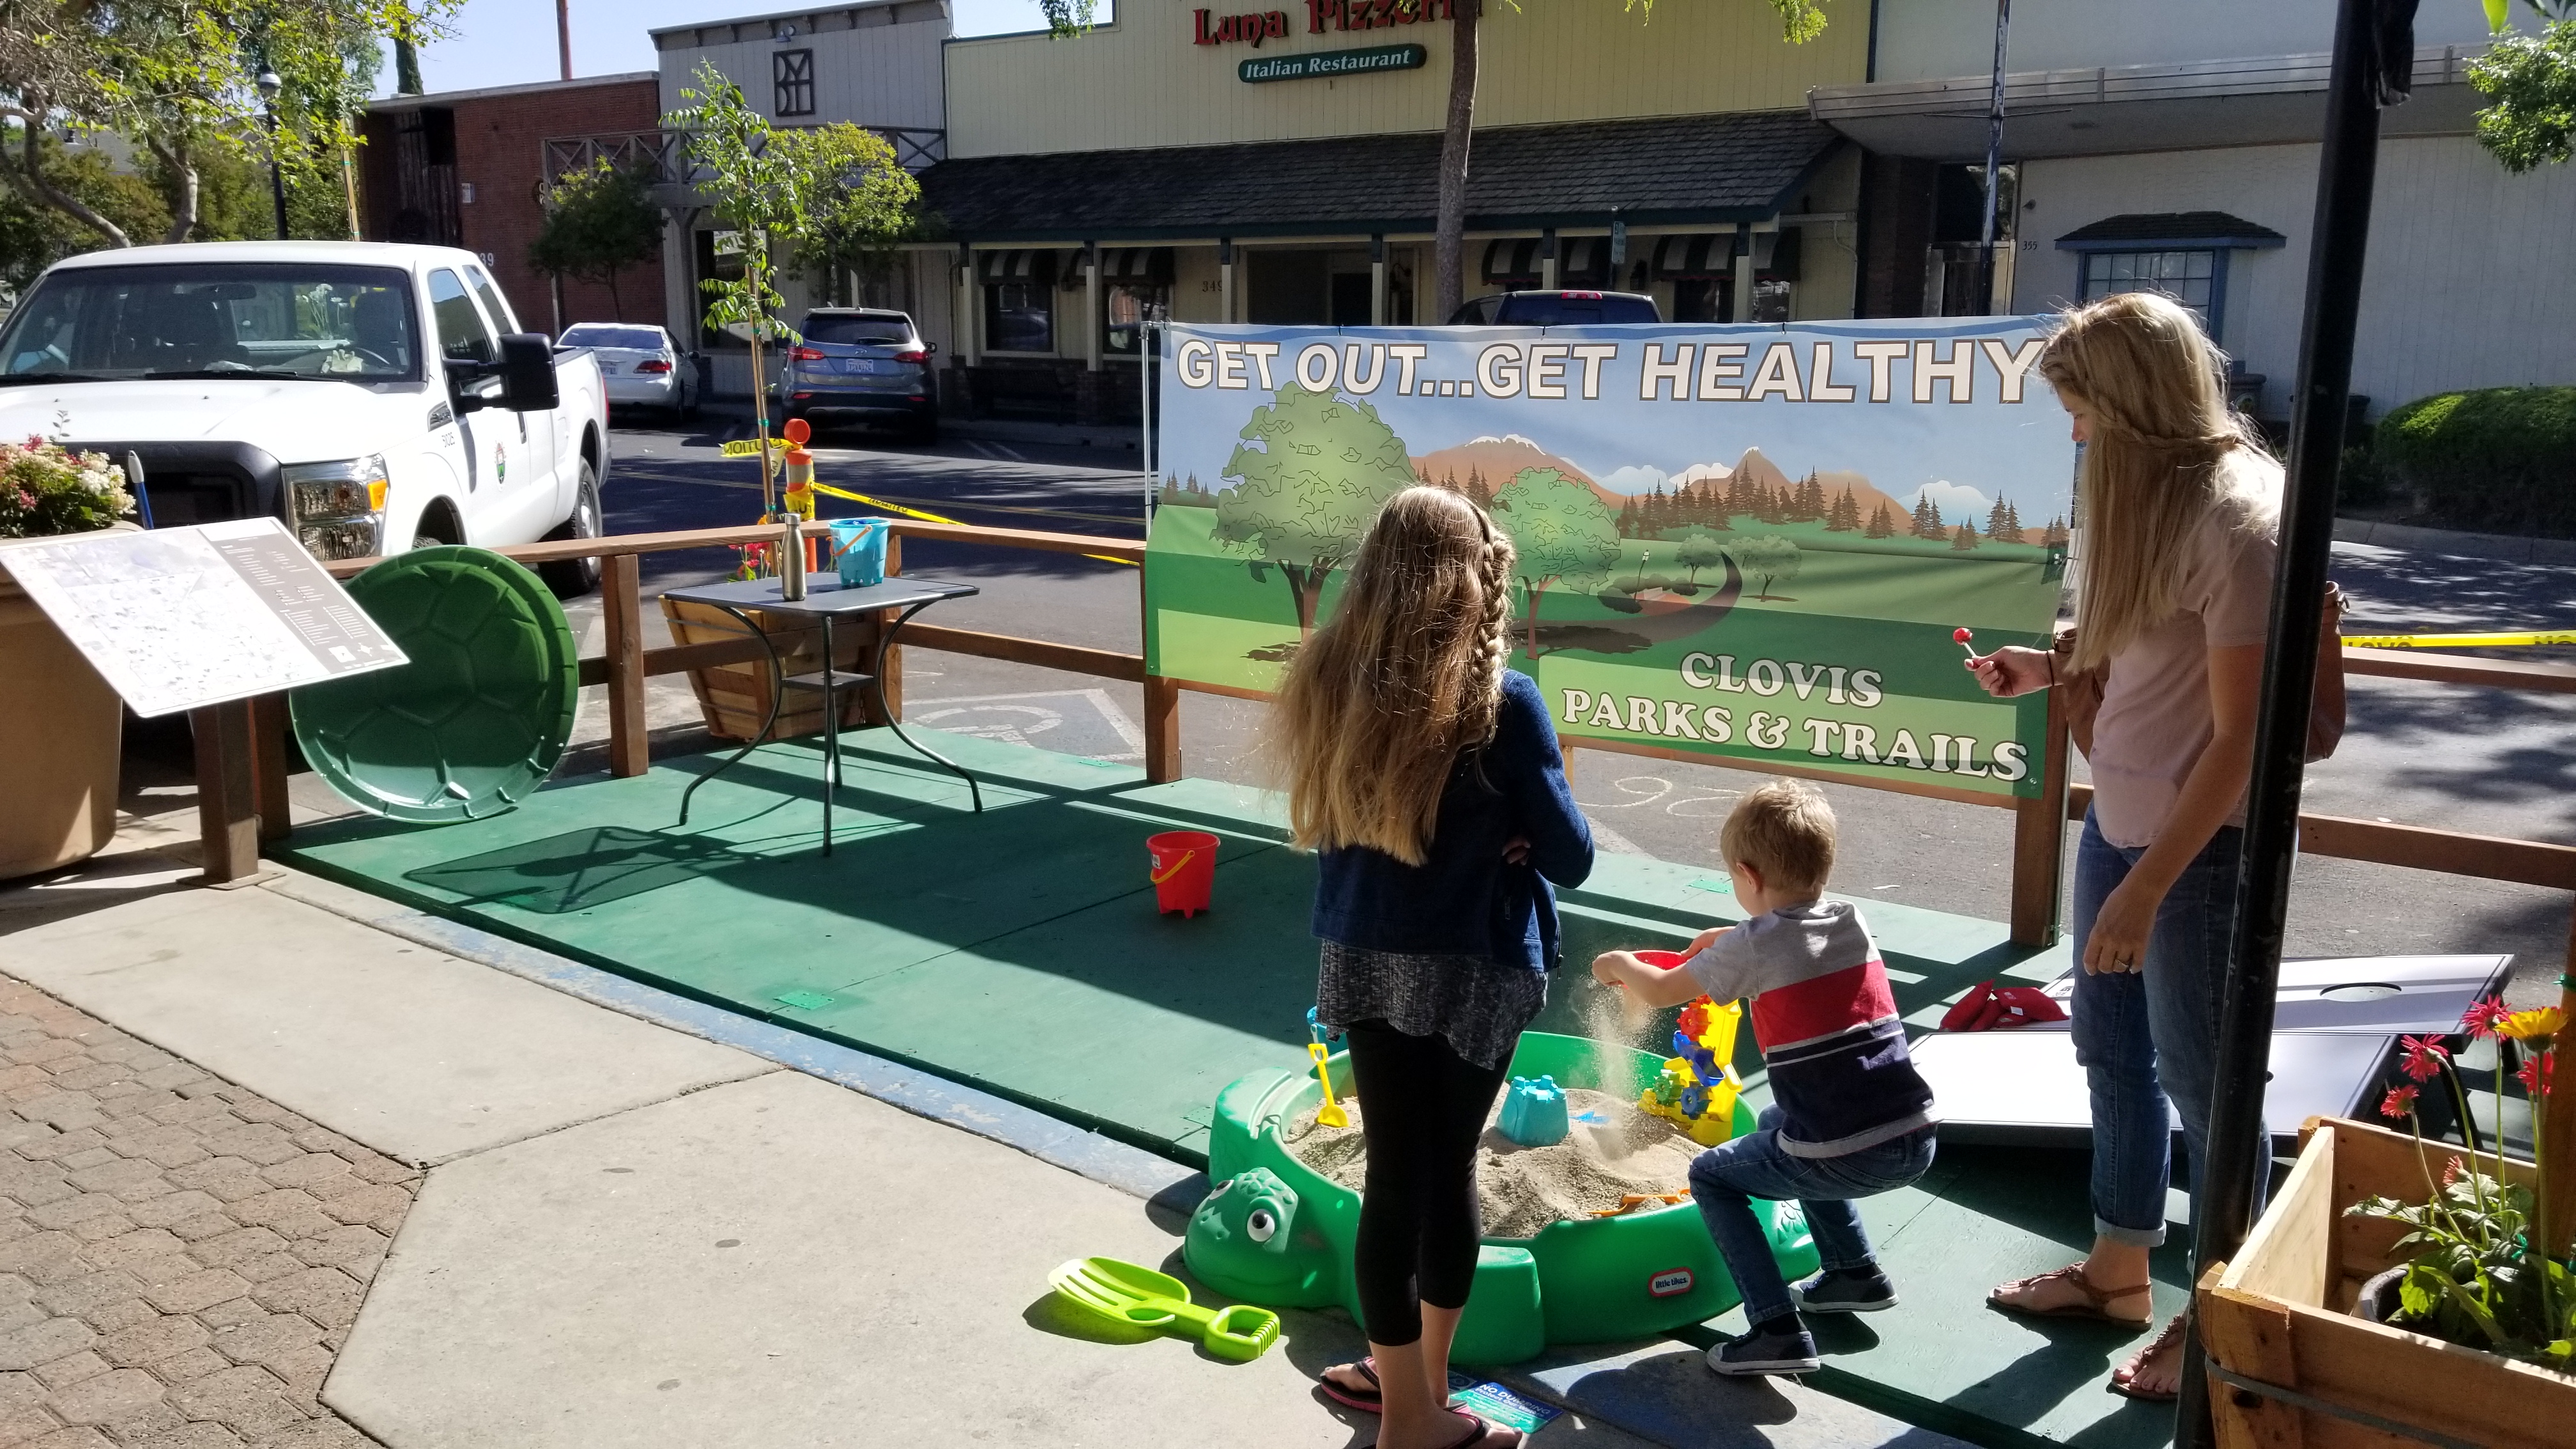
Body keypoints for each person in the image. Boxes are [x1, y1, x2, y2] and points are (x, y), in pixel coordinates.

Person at [1968, 289, 2283, 1402]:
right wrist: (2046, 662)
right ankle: (2116, 1272)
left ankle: (2221, 1320)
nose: (2072, 432)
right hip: (2123, 828)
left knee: (2211, 1094)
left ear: (2133, 402)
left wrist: (2147, 887)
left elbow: (2244, 737)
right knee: (2111, 1058)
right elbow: (2149, 656)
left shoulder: (2240, 519)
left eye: (2081, 408)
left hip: (2194, 858)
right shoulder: (2151, 493)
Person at [1274, 486, 1594, 1449]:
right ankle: (1413, 1416)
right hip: (1471, 967)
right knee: (1441, 1170)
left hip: (1363, 955)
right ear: (1474, 578)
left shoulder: (1326, 673)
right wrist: (1516, 840)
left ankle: (1412, 1384)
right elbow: (1572, 856)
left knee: (1393, 1182)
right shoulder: (1503, 700)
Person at [1592, 779, 1936, 1376]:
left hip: (1843, 1150)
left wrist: (1619, 963)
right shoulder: (1851, 918)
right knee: (1781, 1124)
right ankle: (1855, 1273)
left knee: (1713, 1177)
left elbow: (1660, 990)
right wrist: (1725, 943)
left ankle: (1775, 1329)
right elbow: (1788, 941)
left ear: (1747, 874)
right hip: (1914, 1134)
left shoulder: (1753, 946)